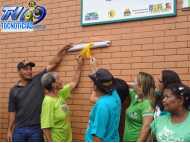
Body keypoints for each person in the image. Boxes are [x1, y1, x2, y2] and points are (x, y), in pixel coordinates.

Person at [7, 44, 72, 142]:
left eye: (30, 69)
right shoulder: (14, 90)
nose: (29, 71)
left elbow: (52, 64)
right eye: (25, 69)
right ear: (19, 71)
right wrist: (9, 130)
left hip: (36, 130)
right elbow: (12, 112)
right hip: (19, 129)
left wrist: (62, 50)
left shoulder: (37, 80)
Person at [40, 56, 84, 142]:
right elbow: (45, 128)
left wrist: (79, 65)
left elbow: (73, 83)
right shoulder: (48, 101)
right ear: (53, 85)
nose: (62, 80)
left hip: (66, 139)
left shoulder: (60, 94)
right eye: (58, 79)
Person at [85, 68, 121, 142]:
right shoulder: (115, 96)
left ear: (95, 86)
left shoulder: (102, 105)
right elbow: (105, 81)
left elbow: (97, 136)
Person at [123, 72, 155, 142]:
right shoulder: (135, 96)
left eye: (134, 82)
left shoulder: (147, 104)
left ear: (141, 86)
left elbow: (146, 127)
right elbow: (123, 84)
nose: (133, 83)